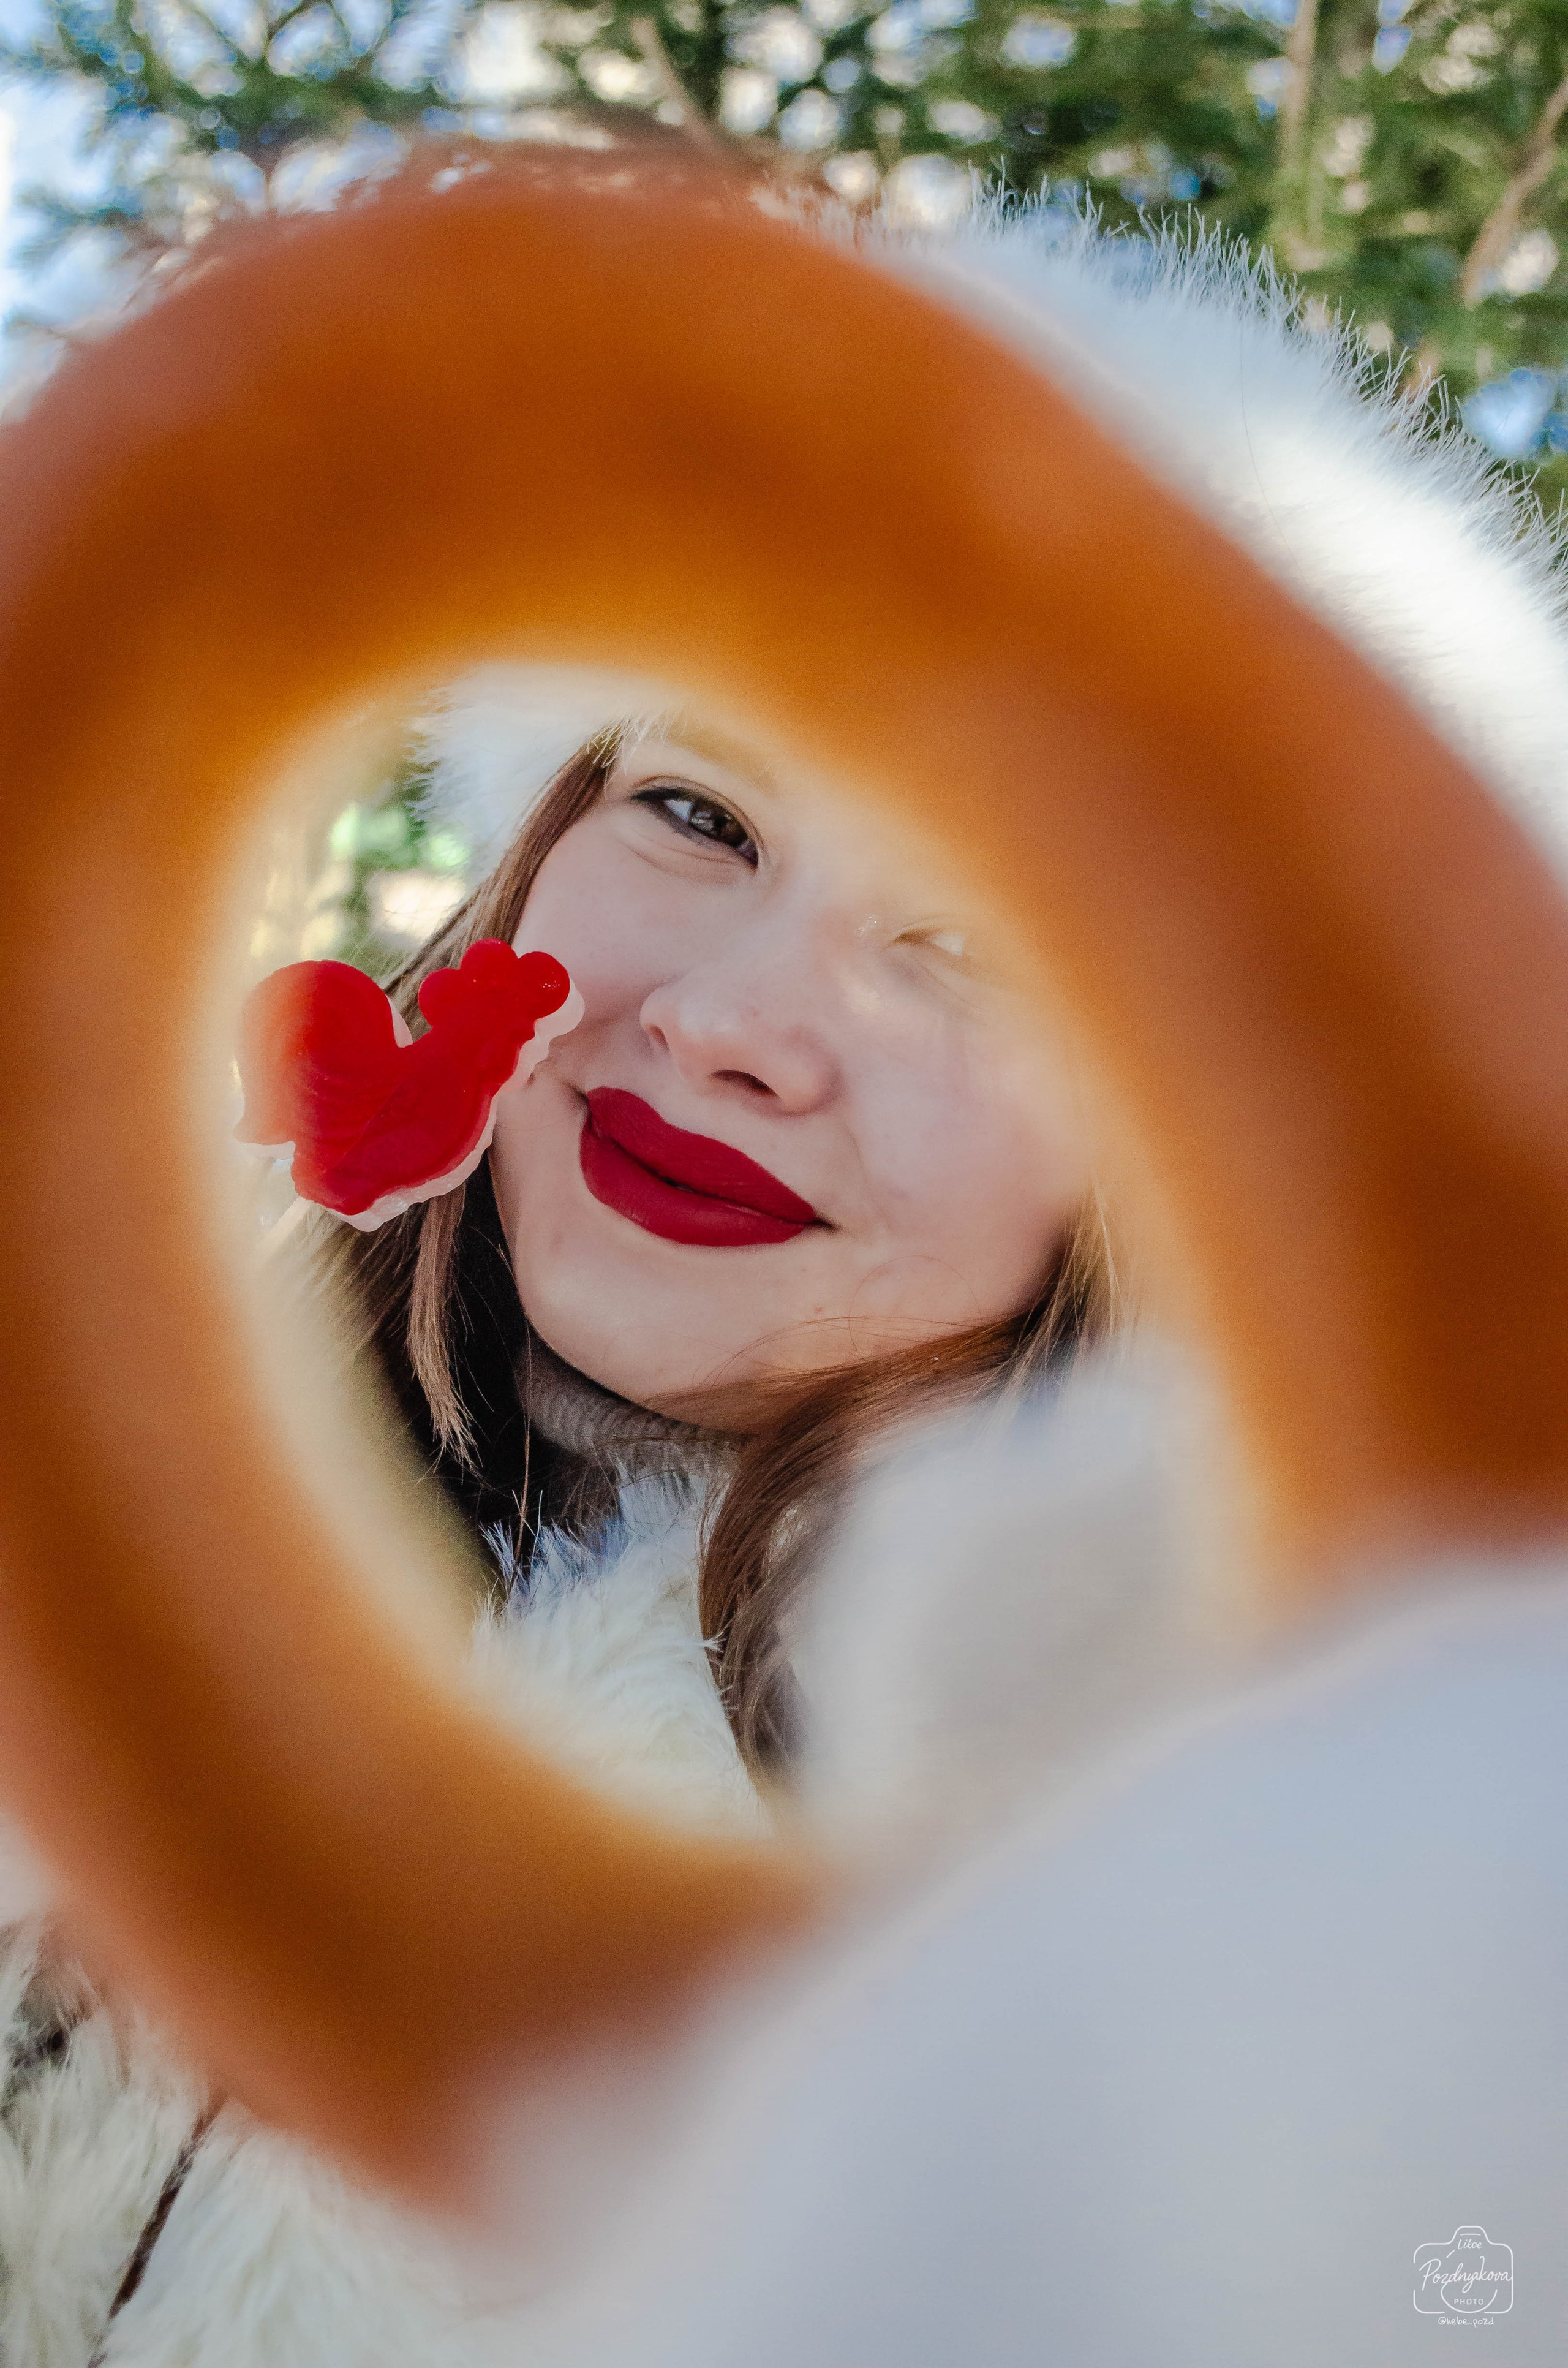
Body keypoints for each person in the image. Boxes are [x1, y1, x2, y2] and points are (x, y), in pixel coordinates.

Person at [3, 191, 1567, 2368]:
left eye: (978, 940)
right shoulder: (83, 1483)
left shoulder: (1252, 1884)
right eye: (702, 817)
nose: (737, 1023)